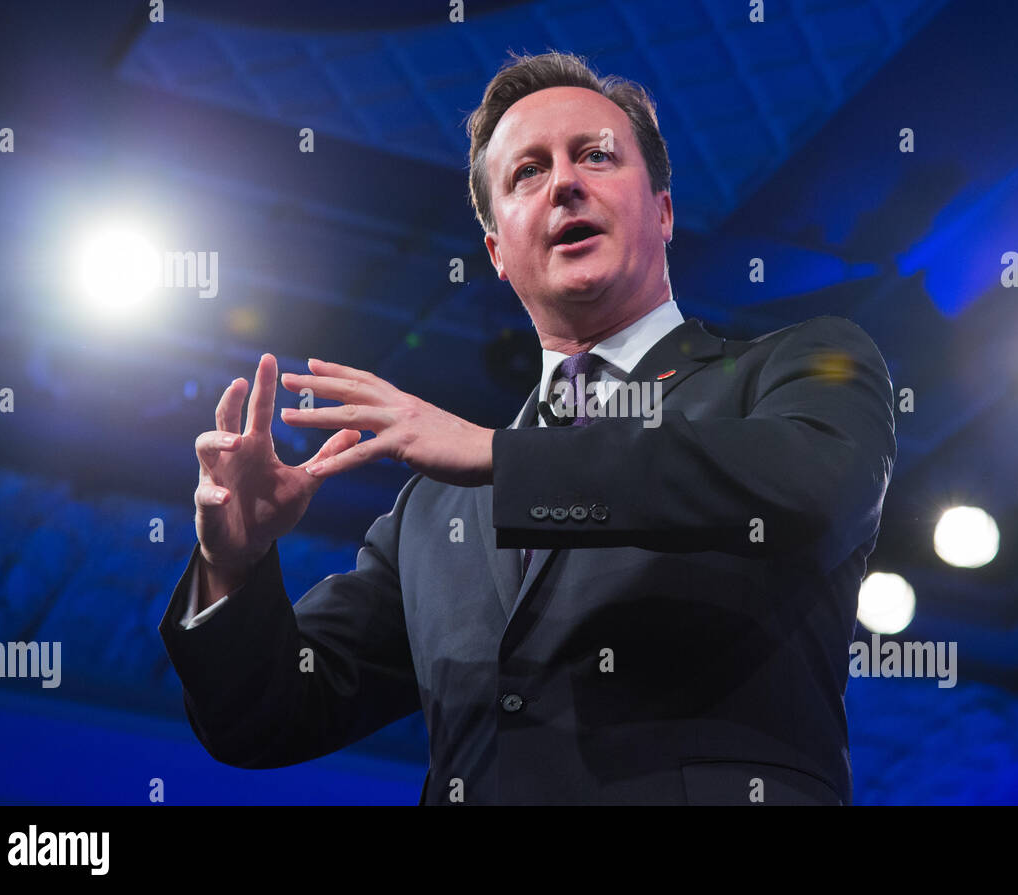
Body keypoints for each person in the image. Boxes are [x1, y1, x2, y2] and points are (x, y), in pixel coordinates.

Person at [159, 50, 896, 805]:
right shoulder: (430, 515)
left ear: (664, 210)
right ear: (498, 253)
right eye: (527, 173)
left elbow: (815, 485)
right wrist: (234, 564)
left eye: (596, 157)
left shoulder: (801, 360)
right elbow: (266, 715)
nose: (566, 183)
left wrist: (499, 457)